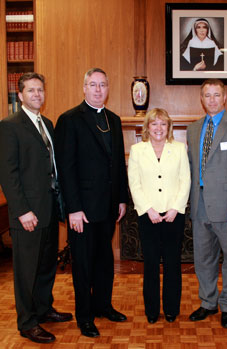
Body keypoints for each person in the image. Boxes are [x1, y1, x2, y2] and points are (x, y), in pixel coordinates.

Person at [54, 68, 128, 338]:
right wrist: (73, 208)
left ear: (108, 88)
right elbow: (66, 168)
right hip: (82, 210)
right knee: (83, 265)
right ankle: (84, 316)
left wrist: (122, 199)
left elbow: (118, 163)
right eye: (93, 85)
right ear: (84, 88)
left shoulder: (114, 120)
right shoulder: (70, 119)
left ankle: (103, 305)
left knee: (105, 261)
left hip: (108, 208)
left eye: (102, 85)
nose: (98, 90)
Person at [0, 72, 72, 344]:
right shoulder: (9, 126)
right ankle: (27, 322)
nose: (36, 95)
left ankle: (43, 309)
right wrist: (21, 211)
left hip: (50, 208)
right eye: (30, 90)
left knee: (45, 265)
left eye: (40, 90)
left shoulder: (48, 123)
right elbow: (8, 173)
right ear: (20, 96)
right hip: (28, 213)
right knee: (26, 270)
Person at [187, 79, 227, 329]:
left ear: (225, 98)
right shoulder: (193, 130)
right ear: (201, 99)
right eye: (207, 95)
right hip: (200, 203)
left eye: (216, 95)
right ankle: (208, 303)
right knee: (204, 258)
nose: (212, 99)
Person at [128, 108, 191, 324]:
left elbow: (186, 180)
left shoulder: (180, 149)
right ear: (147, 127)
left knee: (173, 263)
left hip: (174, 214)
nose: (158, 128)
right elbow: (134, 183)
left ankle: (172, 309)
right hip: (148, 215)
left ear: (169, 127)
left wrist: (175, 208)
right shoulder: (137, 150)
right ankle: (152, 310)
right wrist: (148, 209)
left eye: (163, 124)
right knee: (151, 264)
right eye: (154, 123)